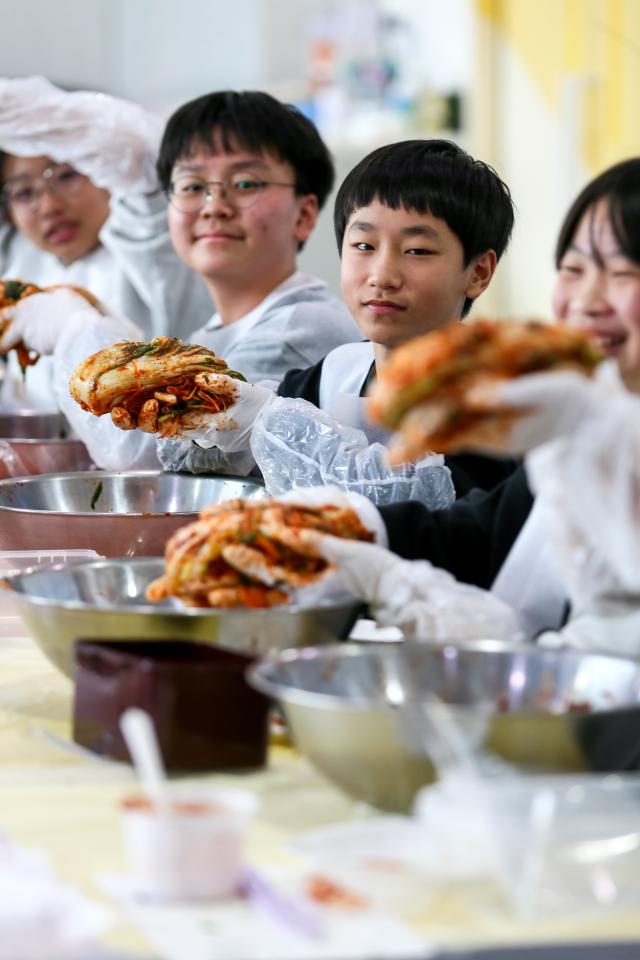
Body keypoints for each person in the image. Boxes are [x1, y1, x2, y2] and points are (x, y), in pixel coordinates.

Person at [301, 157, 640, 650]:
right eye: (574, 268)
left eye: (624, 273)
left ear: (478, 272)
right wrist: (356, 532)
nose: (586, 300)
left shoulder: (553, 414)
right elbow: (481, 534)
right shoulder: (585, 419)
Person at [1, 87, 358, 469]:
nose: (214, 206)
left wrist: (74, 328)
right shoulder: (216, 332)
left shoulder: (298, 331)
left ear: (303, 216)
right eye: (192, 187)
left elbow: (151, 457)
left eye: (245, 184)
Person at [160, 139, 517, 504]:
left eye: (417, 251)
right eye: (364, 246)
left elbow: (436, 512)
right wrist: (200, 420)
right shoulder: (336, 372)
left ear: (478, 272)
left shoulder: (500, 397)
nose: (382, 275)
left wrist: (266, 426)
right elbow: (217, 456)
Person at [0, 75, 212, 413]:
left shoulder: (150, 249)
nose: (49, 206)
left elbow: (145, 174)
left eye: (67, 175)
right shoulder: (20, 260)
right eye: (24, 192)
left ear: (104, 171)